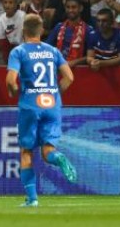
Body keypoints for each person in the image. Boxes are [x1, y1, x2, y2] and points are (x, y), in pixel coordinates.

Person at [6, 14, 77, 207]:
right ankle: (58, 157)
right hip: (52, 105)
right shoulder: (53, 51)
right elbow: (69, 77)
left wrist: (13, 92)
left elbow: (11, 80)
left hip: (30, 104)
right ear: (41, 30)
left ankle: (32, 199)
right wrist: (54, 93)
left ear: (23, 30)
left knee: (26, 151)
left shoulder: (18, 52)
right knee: (48, 150)